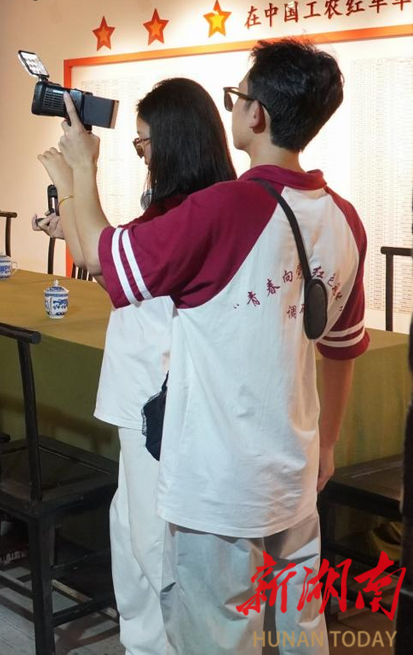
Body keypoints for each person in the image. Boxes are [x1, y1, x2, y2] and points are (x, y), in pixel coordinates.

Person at [44, 39, 367, 654]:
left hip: (217, 483)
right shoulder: (344, 218)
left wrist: (81, 167)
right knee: (299, 631)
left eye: (238, 96)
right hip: (294, 471)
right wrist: (327, 444)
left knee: (217, 634)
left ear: (256, 115)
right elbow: (342, 349)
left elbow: (106, 259)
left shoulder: (222, 209)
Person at [35, 78, 236, 655]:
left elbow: (94, 255)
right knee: (130, 527)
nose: (142, 152)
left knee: (151, 537)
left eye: (144, 142)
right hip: (144, 390)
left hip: (158, 396)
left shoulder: (193, 214)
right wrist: (70, 188)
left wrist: (79, 174)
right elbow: (104, 266)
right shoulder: (179, 210)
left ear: (174, 141)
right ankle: (145, 643)